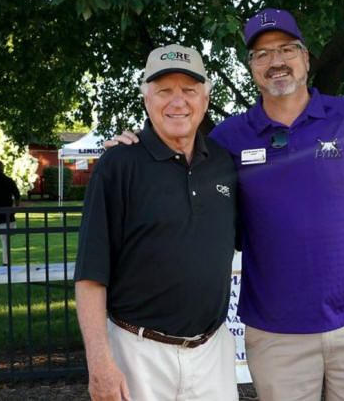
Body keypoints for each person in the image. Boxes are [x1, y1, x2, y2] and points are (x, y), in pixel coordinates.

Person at [109, 9, 344, 401]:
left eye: (286, 49)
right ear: (251, 67)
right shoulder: (228, 139)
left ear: (306, 57)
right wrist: (132, 146)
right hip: (276, 337)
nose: (276, 61)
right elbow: (177, 156)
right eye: (262, 54)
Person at [75, 44, 239, 401]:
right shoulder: (118, 166)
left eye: (189, 90)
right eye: (164, 90)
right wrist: (100, 363)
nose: (178, 102)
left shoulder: (224, 163)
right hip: (137, 354)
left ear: (206, 99)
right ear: (146, 98)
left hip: (213, 353)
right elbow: (90, 276)